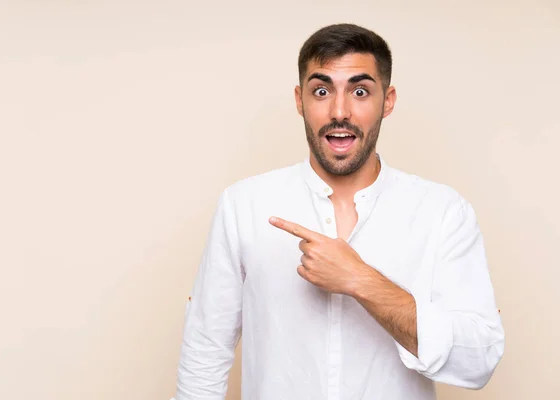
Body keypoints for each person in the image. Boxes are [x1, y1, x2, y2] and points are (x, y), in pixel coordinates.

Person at [171, 23, 505, 400]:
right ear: (300, 100)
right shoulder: (243, 205)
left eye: (360, 91)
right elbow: (205, 351)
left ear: (388, 101)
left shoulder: (444, 213)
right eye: (321, 90)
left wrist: (361, 280)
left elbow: (478, 360)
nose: (339, 110)